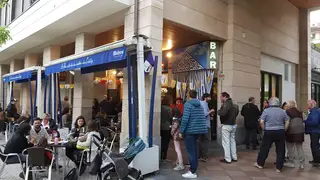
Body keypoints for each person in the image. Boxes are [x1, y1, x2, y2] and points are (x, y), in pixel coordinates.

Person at [254, 97, 290, 172]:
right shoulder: (283, 111)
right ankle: (279, 167)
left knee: (265, 148)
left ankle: (260, 164)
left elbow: (261, 121)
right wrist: (284, 129)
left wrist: (264, 129)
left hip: (269, 131)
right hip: (280, 131)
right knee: (280, 149)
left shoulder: (266, 111)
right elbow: (287, 121)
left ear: (270, 103)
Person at [179, 90, 207, 179]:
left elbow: (185, 119)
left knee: (191, 151)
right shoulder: (200, 104)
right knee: (194, 150)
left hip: (190, 131)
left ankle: (192, 171)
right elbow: (202, 117)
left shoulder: (188, 104)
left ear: (188, 95)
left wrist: (181, 131)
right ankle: (194, 167)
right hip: (198, 131)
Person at [218, 92, 239, 164]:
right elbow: (237, 112)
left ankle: (228, 159)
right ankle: (234, 157)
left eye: (221, 97)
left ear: (225, 97)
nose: (220, 99)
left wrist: (218, 111)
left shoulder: (226, 103)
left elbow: (223, 113)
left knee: (226, 142)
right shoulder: (234, 103)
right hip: (233, 124)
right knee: (232, 141)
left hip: (227, 124)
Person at [283, 100, 305, 169]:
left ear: (289, 105)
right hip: (300, 132)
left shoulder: (287, 112)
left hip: (290, 132)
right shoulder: (300, 113)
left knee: (290, 147)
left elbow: (286, 122)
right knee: (299, 147)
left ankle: (291, 162)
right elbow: (303, 120)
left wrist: (284, 130)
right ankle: (302, 164)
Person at [199, 93, 214, 162]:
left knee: (201, 140)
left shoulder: (201, 103)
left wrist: (209, 115)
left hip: (201, 124)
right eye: (209, 97)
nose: (210, 99)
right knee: (207, 140)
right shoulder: (204, 104)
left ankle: (199, 155)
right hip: (206, 125)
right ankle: (203, 156)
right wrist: (210, 111)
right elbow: (204, 114)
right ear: (205, 98)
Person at [304, 100, 320, 167]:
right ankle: (315, 160)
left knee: (314, 146)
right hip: (314, 131)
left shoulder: (314, 112)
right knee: (314, 145)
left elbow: (314, 122)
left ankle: (317, 161)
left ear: (311, 104)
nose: (307, 105)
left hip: (315, 131)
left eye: (308, 104)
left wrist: (305, 122)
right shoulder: (314, 111)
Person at [160, 95, 173, 162]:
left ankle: (160, 154)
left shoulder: (160, 107)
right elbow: (170, 118)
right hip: (167, 127)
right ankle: (164, 156)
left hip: (160, 126)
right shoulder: (169, 109)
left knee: (161, 141)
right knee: (166, 142)